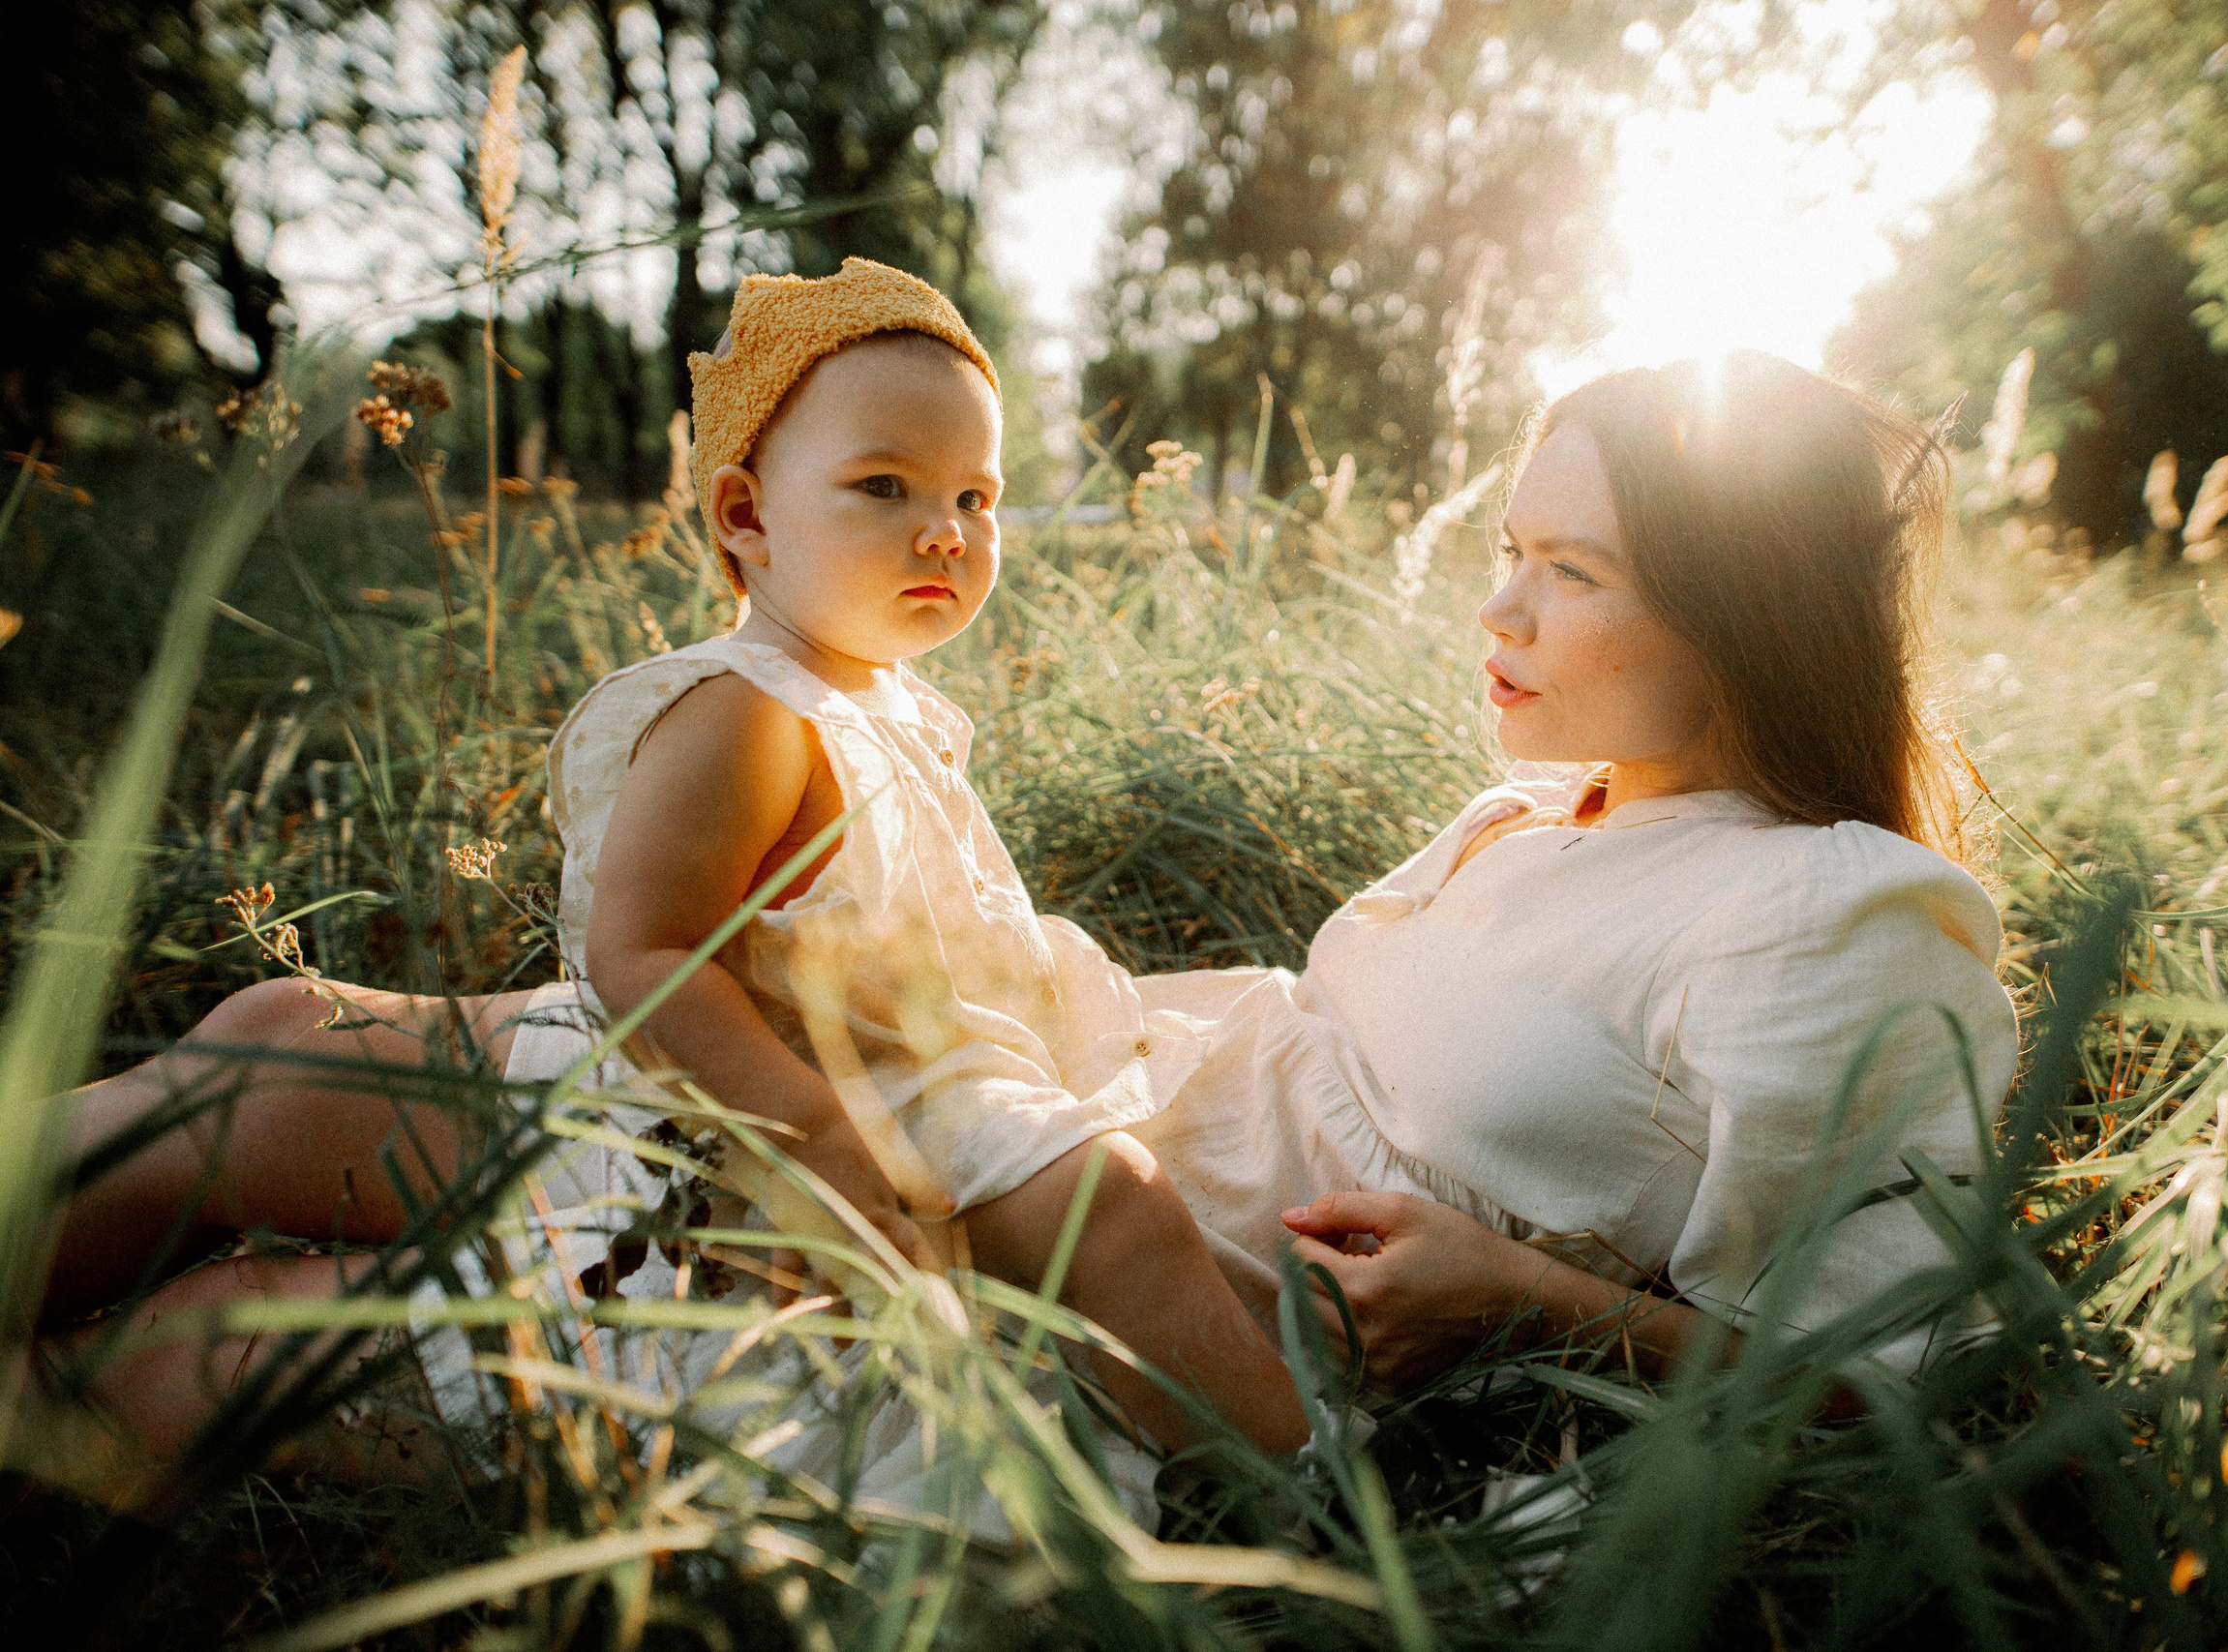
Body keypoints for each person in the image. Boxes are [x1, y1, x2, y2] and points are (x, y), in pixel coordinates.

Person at [44, 258, 1307, 1469]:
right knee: (264, 1060)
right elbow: (639, 950)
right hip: (677, 1125)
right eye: (885, 486)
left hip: (672, 1125)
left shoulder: (885, 711)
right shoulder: (751, 711)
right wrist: (812, 1127)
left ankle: (60, 1388)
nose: (945, 530)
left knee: (247, 1322)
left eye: (976, 498)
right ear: (746, 514)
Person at [1125, 351, 2018, 1390]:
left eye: (1574, 571)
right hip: (1134, 1112)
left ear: (1748, 620)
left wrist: (1525, 1305)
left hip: (1159, 1284)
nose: (1499, 609)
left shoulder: (1820, 912)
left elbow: (1897, 1370)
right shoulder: (1540, 806)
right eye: (1512, 552)